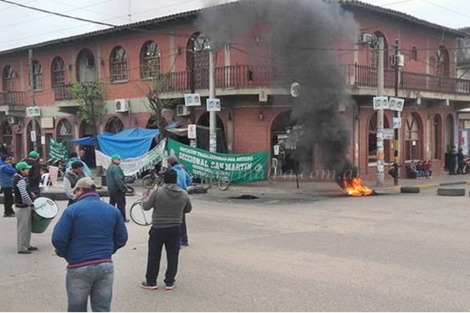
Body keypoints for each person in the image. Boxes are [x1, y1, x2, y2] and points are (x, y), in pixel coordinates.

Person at [52, 177, 128, 313]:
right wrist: (108, 250)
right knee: (102, 308)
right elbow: (122, 238)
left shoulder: (72, 210)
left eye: (76, 192)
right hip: (105, 265)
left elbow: (58, 239)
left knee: (77, 308)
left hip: (78, 265)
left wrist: (66, 253)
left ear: (80, 190)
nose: (75, 195)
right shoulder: (113, 210)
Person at [141, 169, 192, 291]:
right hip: (175, 228)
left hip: (158, 227)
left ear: (164, 179)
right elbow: (188, 209)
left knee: (154, 255)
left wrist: (144, 197)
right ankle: (169, 282)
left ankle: (151, 281)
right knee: (173, 255)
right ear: (176, 180)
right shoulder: (184, 194)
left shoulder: (157, 192)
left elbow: (146, 206)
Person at [168, 155, 192, 247]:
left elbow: (175, 183)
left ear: (170, 163)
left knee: (175, 220)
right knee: (182, 218)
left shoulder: (173, 171)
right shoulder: (182, 170)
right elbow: (189, 180)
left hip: (175, 195)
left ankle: (177, 242)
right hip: (184, 194)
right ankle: (184, 240)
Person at [13, 161, 37, 254]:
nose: (28, 170)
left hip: (23, 206)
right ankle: (22, 247)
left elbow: (24, 191)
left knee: (27, 227)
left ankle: (27, 245)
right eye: (27, 169)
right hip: (22, 207)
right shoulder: (20, 180)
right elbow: (23, 194)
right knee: (23, 228)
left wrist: (30, 193)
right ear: (21, 170)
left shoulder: (20, 178)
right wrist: (31, 203)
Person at [106, 154, 128, 222]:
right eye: (118, 159)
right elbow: (118, 179)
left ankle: (110, 218)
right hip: (117, 189)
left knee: (112, 204)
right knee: (121, 204)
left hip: (111, 189)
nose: (120, 161)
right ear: (114, 160)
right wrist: (123, 187)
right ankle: (122, 218)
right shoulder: (116, 168)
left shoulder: (109, 167)